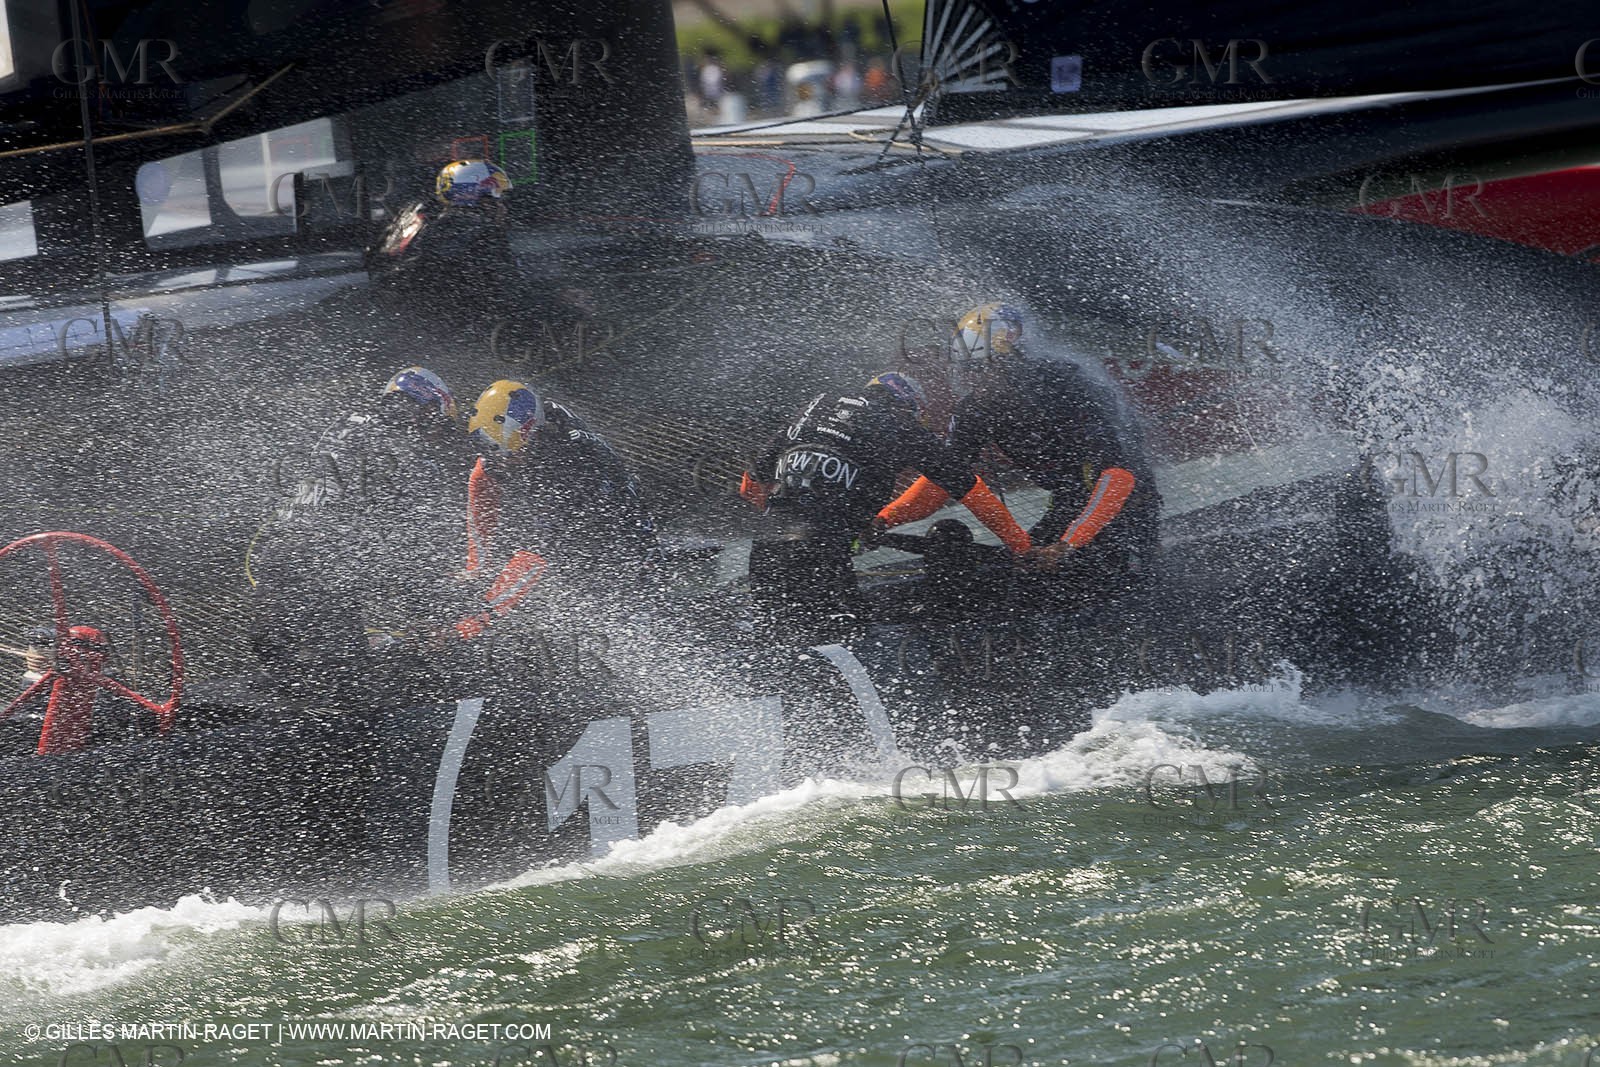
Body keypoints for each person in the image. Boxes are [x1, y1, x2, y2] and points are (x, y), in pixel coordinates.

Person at [876, 303, 1161, 611]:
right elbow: (945, 478)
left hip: (1126, 504)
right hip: (1068, 501)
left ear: (1011, 362)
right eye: (965, 369)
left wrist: (1069, 544)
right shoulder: (976, 409)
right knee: (1027, 578)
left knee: (1112, 589)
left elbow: (1118, 476)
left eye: (979, 368)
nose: (971, 380)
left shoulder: (1066, 385)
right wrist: (884, 520)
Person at [739, 371, 1032, 635]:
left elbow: (750, 486)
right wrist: (1021, 547)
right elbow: (969, 489)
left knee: (772, 636)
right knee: (845, 636)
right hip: (823, 553)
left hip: (765, 549)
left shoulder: (816, 406)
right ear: (905, 405)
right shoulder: (900, 424)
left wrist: (800, 514)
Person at [249, 366, 477, 702]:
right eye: (439, 426)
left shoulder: (346, 424)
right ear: (426, 414)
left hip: (278, 561)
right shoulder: (411, 460)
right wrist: (426, 615)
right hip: (322, 577)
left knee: (281, 665)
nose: (436, 437)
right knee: (352, 689)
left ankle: (287, 700)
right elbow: (410, 547)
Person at [454, 380, 658, 644]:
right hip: (575, 522)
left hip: (619, 536)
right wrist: (477, 566)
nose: (502, 463)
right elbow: (482, 481)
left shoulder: (568, 466)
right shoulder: (529, 426)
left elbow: (538, 553)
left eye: (510, 456)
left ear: (530, 436)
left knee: (622, 623)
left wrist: (483, 617)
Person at [367, 159, 517, 320]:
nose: (503, 209)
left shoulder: (420, 217)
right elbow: (504, 289)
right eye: (496, 200)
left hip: (395, 309)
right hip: (445, 320)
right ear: (475, 197)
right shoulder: (478, 233)